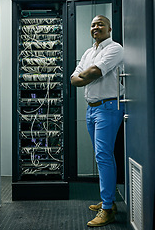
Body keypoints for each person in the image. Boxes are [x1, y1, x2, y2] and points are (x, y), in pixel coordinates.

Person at [71, 15, 125, 227]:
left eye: (100, 24)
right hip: (92, 109)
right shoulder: (88, 52)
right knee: (102, 156)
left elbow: (94, 71)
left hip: (108, 108)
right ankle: (108, 202)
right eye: (93, 24)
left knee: (103, 157)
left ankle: (107, 208)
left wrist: (86, 75)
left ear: (109, 29)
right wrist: (85, 76)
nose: (96, 27)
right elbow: (74, 79)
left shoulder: (115, 49)